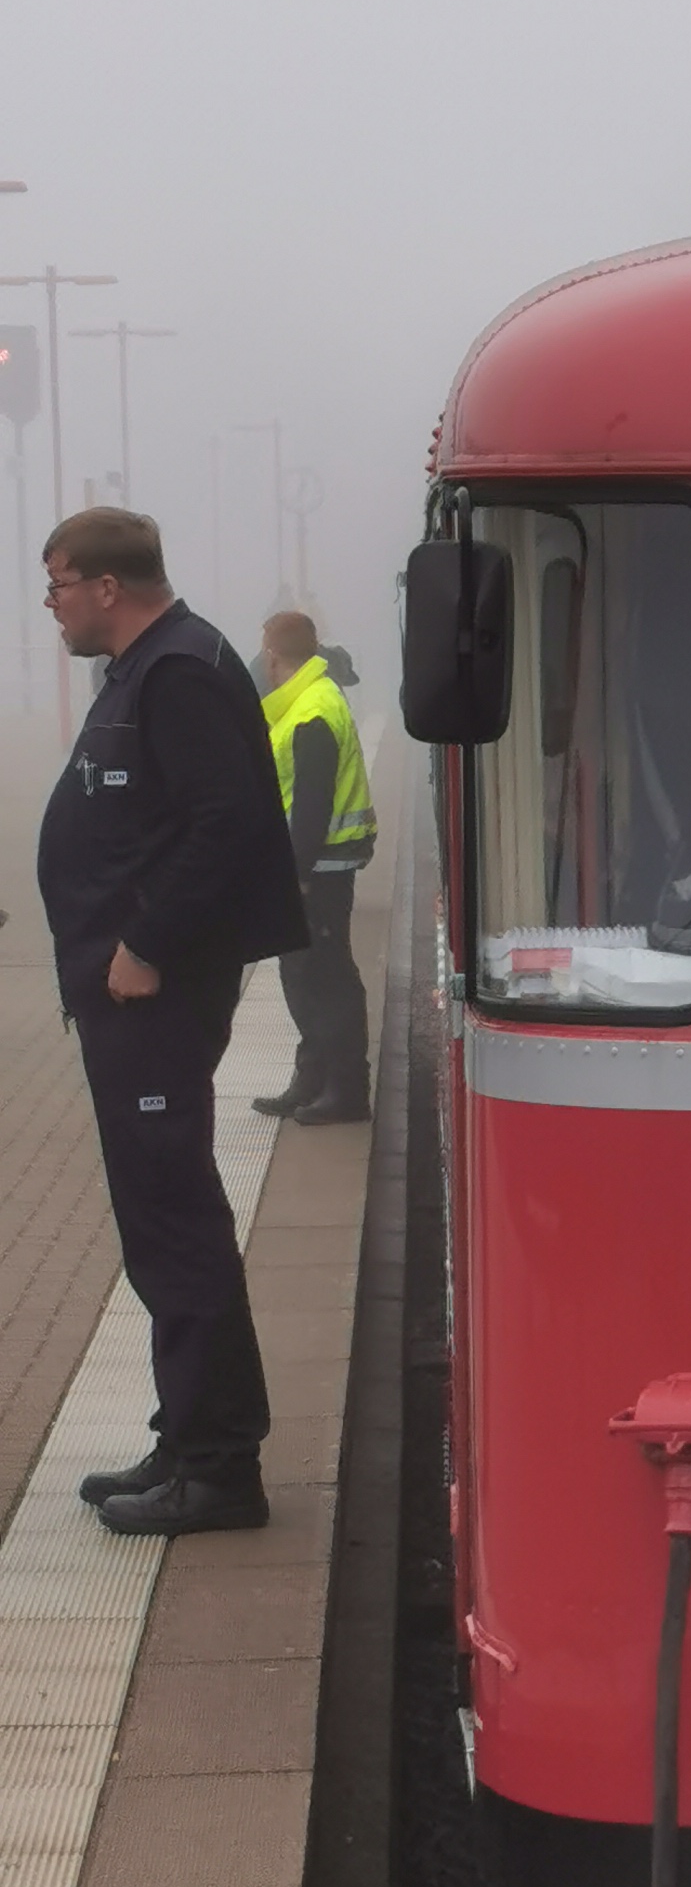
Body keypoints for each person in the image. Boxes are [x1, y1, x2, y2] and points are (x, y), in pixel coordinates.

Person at [34, 509, 309, 1535]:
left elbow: (227, 822)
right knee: (161, 1221)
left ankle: (220, 1470)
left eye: (59, 584)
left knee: (176, 1223)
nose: (52, 605)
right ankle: (187, 1436)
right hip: (128, 999)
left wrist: (145, 944)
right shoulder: (146, 669)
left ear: (108, 587)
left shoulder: (179, 670)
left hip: (153, 996)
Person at [254, 608, 377, 1122]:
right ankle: (311, 1079)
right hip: (316, 864)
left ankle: (346, 1090)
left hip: (320, 869)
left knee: (327, 978)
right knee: (304, 976)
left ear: (273, 655)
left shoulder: (313, 710)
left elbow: (311, 804)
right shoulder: (308, 700)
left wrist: (297, 876)